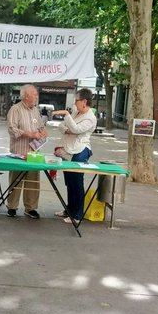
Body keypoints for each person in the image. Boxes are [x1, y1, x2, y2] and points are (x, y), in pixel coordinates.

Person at [52, 88, 97, 224]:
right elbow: (61, 126)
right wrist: (68, 130)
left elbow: (77, 130)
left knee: (77, 182)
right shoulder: (76, 113)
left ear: (84, 101)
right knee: (69, 182)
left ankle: (77, 215)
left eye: (76, 100)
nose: (75, 103)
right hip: (68, 149)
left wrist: (66, 115)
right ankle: (69, 210)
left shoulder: (90, 117)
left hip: (81, 150)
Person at [6, 84, 47, 219]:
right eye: (34, 94)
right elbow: (12, 129)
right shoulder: (15, 109)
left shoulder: (35, 110)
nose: (36, 97)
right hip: (19, 152)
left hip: (34, 152)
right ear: (26, 96)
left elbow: (40, 126)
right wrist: (29, 134)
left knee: (33, 181)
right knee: (16, 180)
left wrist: (42, 131)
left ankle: (30, 208)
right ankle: (12, 207)